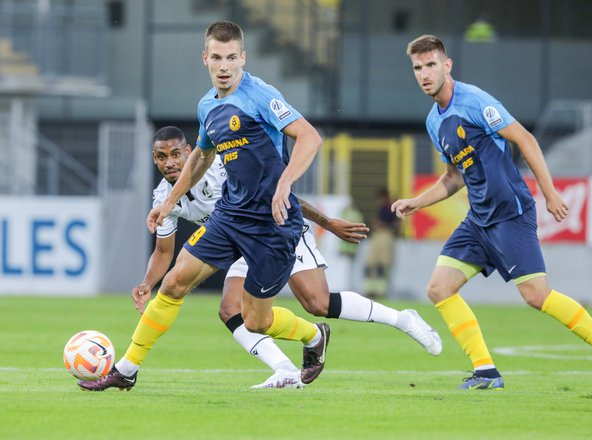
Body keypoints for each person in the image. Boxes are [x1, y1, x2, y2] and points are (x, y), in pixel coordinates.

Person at [79, 20, 329, 391]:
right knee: (176, 281)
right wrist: (168, 203)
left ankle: (313, 336)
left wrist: (285, 183)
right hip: (230, 215)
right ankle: (127, 369)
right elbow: (200, 157)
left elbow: (310, 136)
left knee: (255, 321)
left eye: (231, 57)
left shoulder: (260, 95)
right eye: (217, 57)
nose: (224, 65)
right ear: (205, 59)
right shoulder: (207, 106)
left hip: (271, 223)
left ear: (243, 58)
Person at [392, 34, 592, 392]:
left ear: (448, 65)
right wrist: (416, 202)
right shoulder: (434, 121)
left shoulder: (475, 102)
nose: (425, 73)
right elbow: (453, 177)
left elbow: (526, 139)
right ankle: (486, 371)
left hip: (509, 212)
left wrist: (550, 192)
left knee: (537, 296)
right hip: (478, 219)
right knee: (439, 288)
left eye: (431, 65)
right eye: (418, 67)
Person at [118, 126, 442, 389]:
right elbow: (163, 251)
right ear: (154, 160)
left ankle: (403, 319)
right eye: (162, 157)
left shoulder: (219, 168)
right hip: (239, 241)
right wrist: (147, 283)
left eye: (176, 154)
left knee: (318, 303)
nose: (170, 162)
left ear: (189, 153)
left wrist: (327, 223)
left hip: (279, 228)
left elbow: (282, 193)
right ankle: (284, 368)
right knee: (230, 309)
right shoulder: (163, 197)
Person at [364, 188, 399, 298]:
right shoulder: (382, 207)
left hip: (386, 236)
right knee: (371, 263)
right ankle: (370, 289)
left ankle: (381, 290)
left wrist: (383, 225)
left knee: (382, 265)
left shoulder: (391, 208)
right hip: (377, 235)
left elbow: (396, 225)